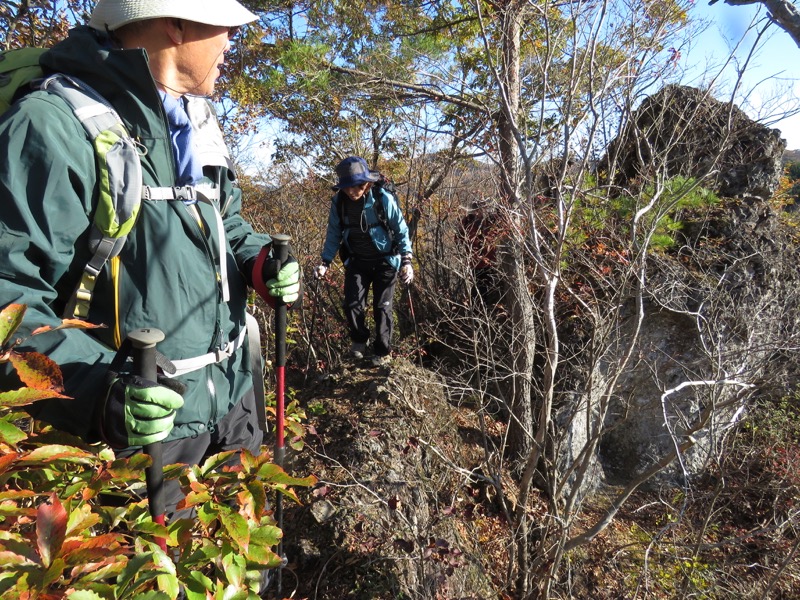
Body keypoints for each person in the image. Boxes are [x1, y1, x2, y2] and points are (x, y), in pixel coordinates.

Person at [0, 0, 301, 518]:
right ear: (175, 23)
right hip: (139, 441)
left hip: (232, 404)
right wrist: (102, 394)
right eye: (224, 24)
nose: (232, 38)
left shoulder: (195, 117)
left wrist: (256, 263)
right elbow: (10, 296)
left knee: (246, 571)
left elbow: (223, 221)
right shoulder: (52, 127)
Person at [315, 157, 413, 367]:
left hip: (385, 260)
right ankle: (360, 339)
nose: (351, 191)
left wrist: (406, 260)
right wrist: (325, 262)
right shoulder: (339, 202)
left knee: (382, 307)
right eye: (347, 187)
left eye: (356, 186)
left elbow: (400, 229)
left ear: (366, 183)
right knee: (352, 304)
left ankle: (383, 350)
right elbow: (334, 233)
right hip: (357, 260)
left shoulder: (381, 197)